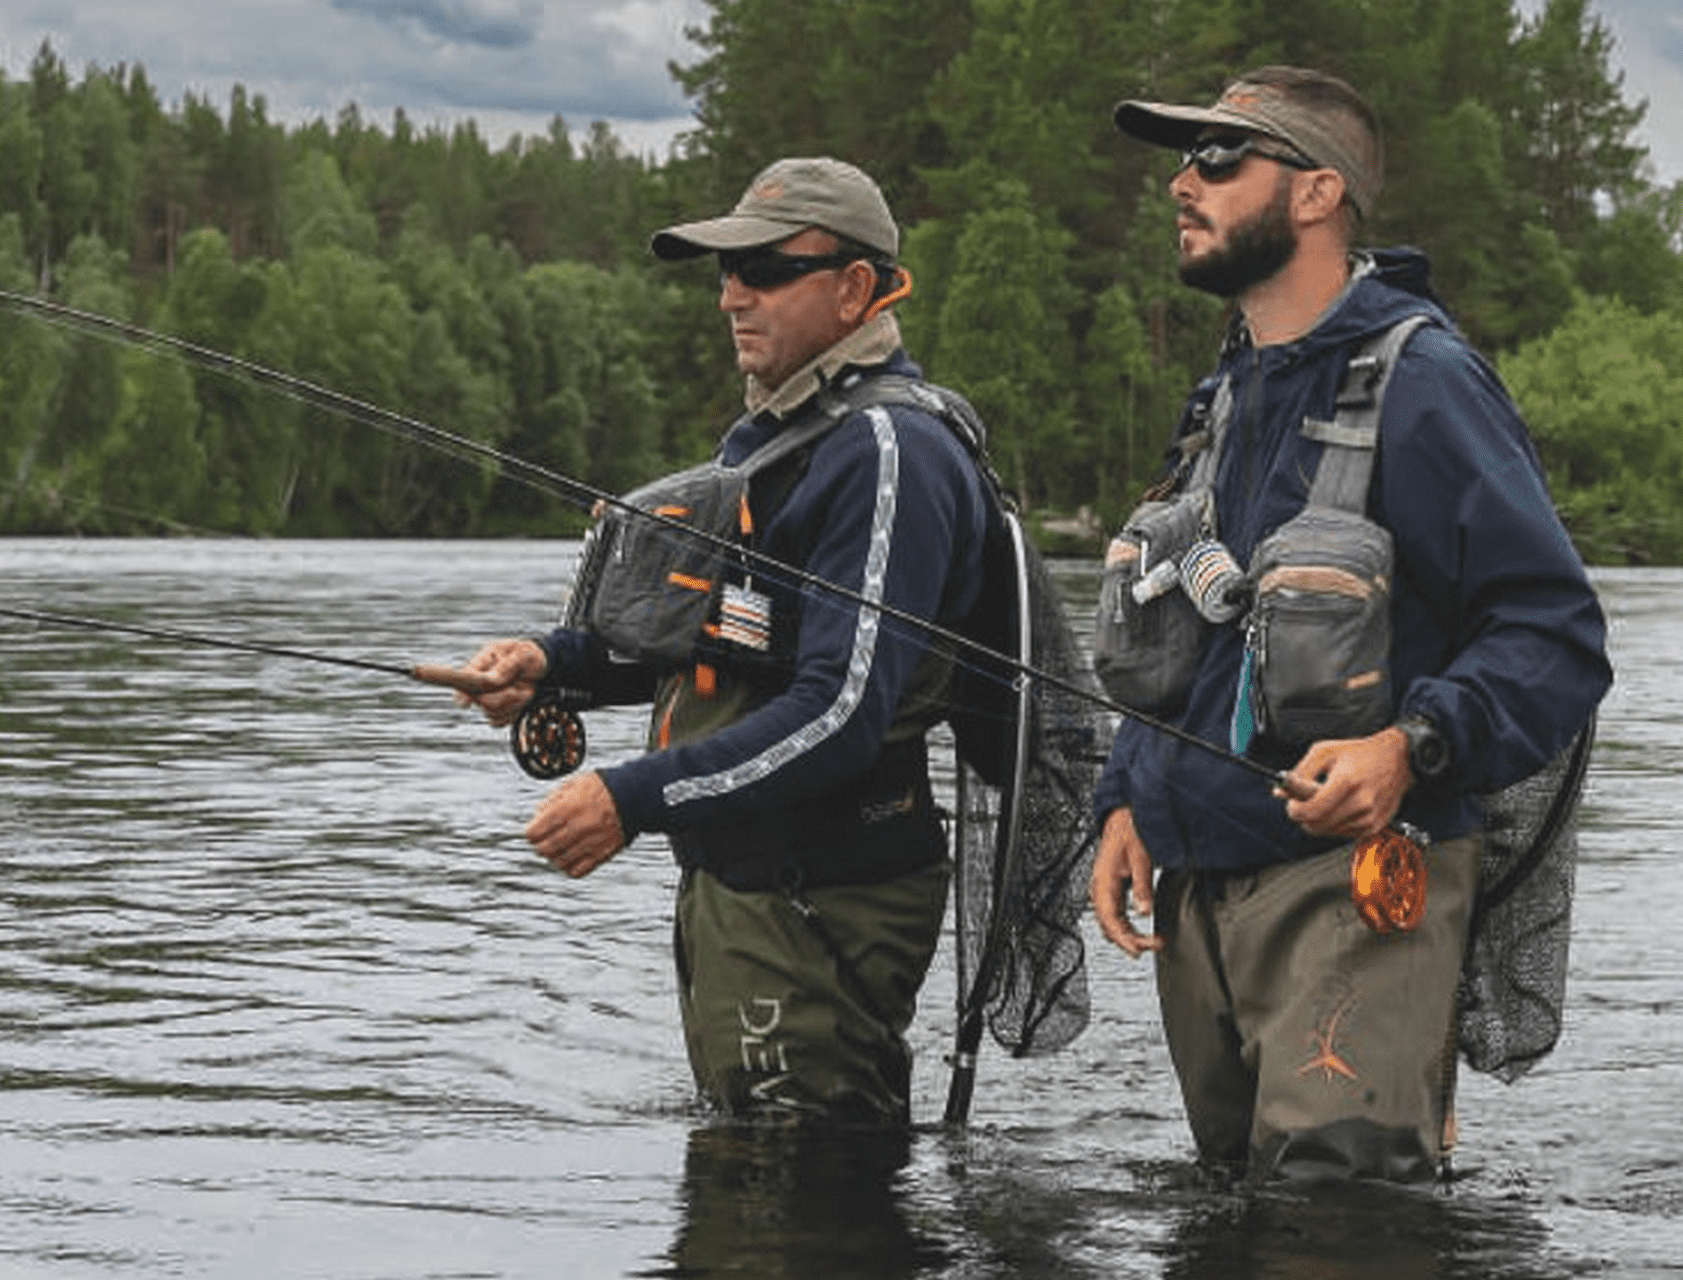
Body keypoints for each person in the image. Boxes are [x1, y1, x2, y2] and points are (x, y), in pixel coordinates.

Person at [1088, 66, 1612, 1183]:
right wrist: (1130, 789)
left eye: (1220, 160)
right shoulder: (1222, 393)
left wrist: (1406, 746)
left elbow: (1556, 634)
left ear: (1318, 193)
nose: (1184, 183)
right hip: (1200, 882)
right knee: (1230, 1211)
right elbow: (1189, 619)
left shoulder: (1427, 384)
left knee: (1339, 1221)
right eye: (1184, 161)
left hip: (1357, 876)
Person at [455, 157, 1000, 1125]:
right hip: (746, 888)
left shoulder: (887, 450)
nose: (732, 295)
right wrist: (553, 663)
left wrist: (631, 795)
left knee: (797, 1205)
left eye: (765, 269)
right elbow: (720, 636)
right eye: (723, 271)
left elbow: (840, 710)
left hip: (821, 897)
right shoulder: (776, 437)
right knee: (748, 1183)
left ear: (855, 288)